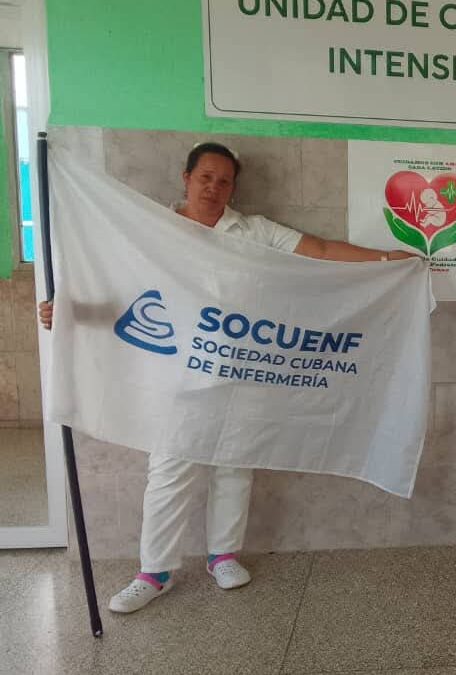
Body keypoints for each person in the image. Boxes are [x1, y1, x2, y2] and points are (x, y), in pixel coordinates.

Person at [38, 142, 418, 614]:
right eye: (206, 178)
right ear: (186, 177)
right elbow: (120, 289)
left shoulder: (252, 231)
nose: (214, 188)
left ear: (233, 187)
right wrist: (73, 311)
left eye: (223, 181)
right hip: (179, 377)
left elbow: (318, 251)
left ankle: (223, 556)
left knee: (235, 465)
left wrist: (387, 262)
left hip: (245, 372)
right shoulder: (157, 229)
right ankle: (153, 572)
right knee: (169, 471)